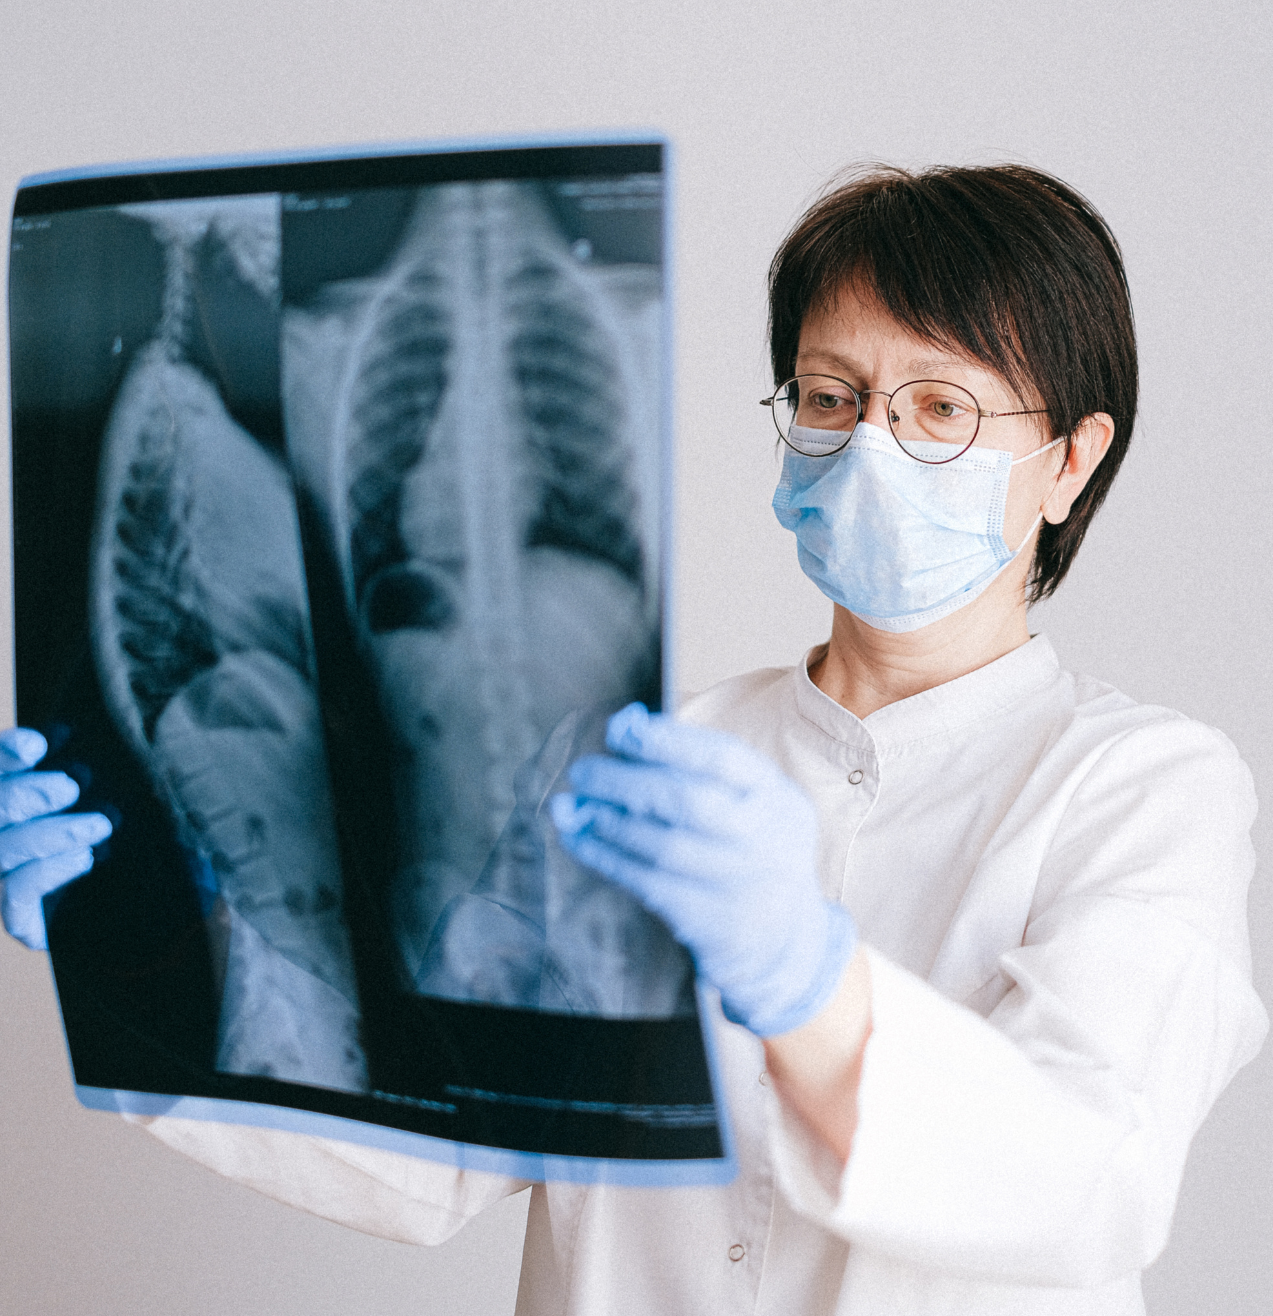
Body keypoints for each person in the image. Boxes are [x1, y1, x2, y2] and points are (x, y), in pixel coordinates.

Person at [2, 163, 1265, 1315]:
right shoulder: (636, 763)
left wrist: (806, 980)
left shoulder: (1145, 786)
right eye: (832, 395)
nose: (872, 445)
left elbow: (1096, 1174)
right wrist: (134, 947)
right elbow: (441, 1137)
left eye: (942, 408)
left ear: (1068, 460)